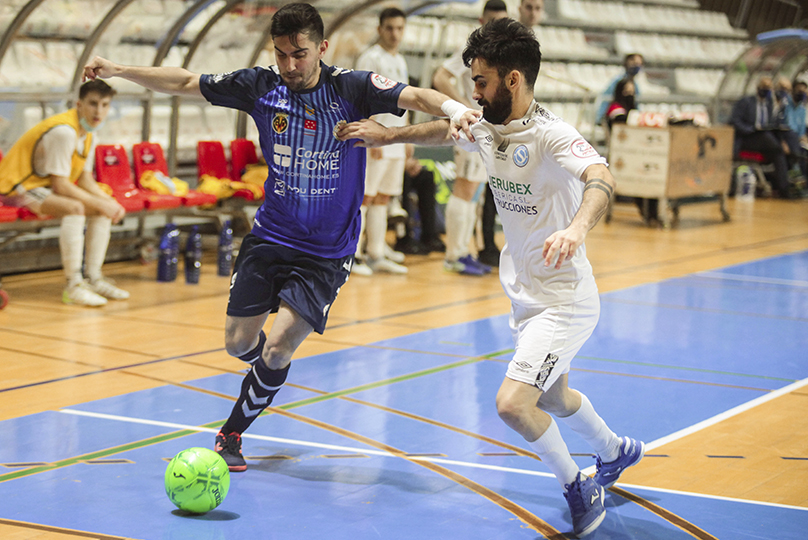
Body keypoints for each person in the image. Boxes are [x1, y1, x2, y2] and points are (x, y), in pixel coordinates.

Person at [83, 2, 479, 472]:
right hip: (271, 236)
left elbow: (419, 97)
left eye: (300, 54)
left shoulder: (352, 87)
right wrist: (120, 70)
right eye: (282, 54)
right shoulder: (260, 85)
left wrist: (455, 108)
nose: (290, 65)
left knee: (279, 346)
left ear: (322, 49)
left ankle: (231, 432)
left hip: (326, 250)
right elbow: (188, 82)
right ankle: (267, 374)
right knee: (236, 344)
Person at [338, 18, 645, 537]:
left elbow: (601, 178)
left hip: (565, 299)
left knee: (512, 404)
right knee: (553, 398)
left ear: (514, 81)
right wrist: (389, 135)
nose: (471, 92)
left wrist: (574, 228)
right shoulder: (489, 122)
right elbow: (450, 129)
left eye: (480, 82)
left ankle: (580, 487)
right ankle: (616, 451)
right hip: (526, 296)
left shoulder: (552, 135)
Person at [0, 79, 130, 307]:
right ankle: (73, 285)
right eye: (93, 104)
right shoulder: (64, 132)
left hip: (42, 186)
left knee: (102, 210)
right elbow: (61, 186)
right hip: (15, 187)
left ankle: (93, 278)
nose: (99, 111)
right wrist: (101, 203)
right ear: (79, 104)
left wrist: (109, 202)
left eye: (105, 105)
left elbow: (85, 179)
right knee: (75, 208)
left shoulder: (89, 134)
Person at [431, 0, 509, 275]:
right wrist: (463, 107)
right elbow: (440, 77)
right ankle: (454, 255)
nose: (494, 28)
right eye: (490, 22)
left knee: (474, 192)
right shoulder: (472, 49)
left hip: (488, 129)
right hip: (470, 128)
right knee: (464, 189)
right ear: (481, 21)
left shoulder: (501, 53)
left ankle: (464, 252)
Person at [352, 7, 411, 275]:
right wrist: (367, 134)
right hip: (376, 136)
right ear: (379, 29)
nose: (395, 33)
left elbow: (406, 101)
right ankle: (353, 254)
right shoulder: (370, 57)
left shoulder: (401, 60)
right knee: (365, 196)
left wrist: (408, 135)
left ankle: (376, 251)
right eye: (389, 28)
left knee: (384, 197)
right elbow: (361, 97)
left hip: (397, 136)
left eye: (399, 28)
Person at [606, 77, 659, 225]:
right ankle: (648, 214)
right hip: (622, 155)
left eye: (632, 91)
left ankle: (653, 214)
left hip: (638, 152)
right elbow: (622, 122)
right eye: (626, 91)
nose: (629, 94)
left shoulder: (634, 109)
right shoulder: (614, 108)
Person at [730, 77, 794, 199]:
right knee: (770, 140)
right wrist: (751, 129)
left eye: (769, 87)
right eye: (764, 86)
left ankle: (783, 189)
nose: (766, 90)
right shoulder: (746, 102)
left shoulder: (769, 106)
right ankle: (785, 151)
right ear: (758, 87)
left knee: (778, 153)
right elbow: (734, 121)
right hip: (747, 138)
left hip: (765, 142)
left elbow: (771, 124)